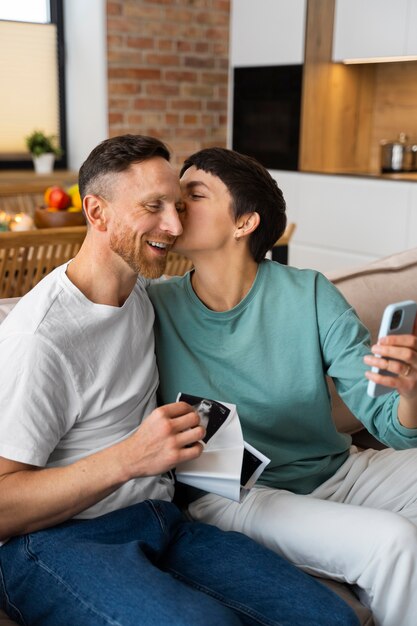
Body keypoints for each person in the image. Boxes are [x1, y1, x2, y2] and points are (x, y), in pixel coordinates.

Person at [0, 135, 358, 626]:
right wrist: (131, 457)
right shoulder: (39, 339)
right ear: (97, 213)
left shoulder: (147, 298)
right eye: (153, 207)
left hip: (161, 518)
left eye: (178, 203)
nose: (173, 225)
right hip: (55, 540)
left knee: (328, 618)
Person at [147, 146, 417, 626]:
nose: (178, 205)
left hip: (338, 471)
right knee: (394, 541)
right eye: (175, 194)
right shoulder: (151, 307)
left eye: (195, 193)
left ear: (244, 222)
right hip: (237, 496)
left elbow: (385, 421)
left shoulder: (310, 293)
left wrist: (411, 394)